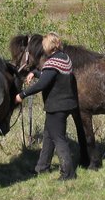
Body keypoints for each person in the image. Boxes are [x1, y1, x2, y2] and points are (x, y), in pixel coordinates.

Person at [15, 32, 79, 180]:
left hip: (57, 106)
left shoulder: (52, 63)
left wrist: (22, 95)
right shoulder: (64, 58)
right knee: (49, 135)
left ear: (48, 47)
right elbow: (51, 76)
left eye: (44, 45)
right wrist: (35, 73)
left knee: (59, 138)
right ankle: (42, 167)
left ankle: (68, 173)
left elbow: (42, 84)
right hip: (66, 104)